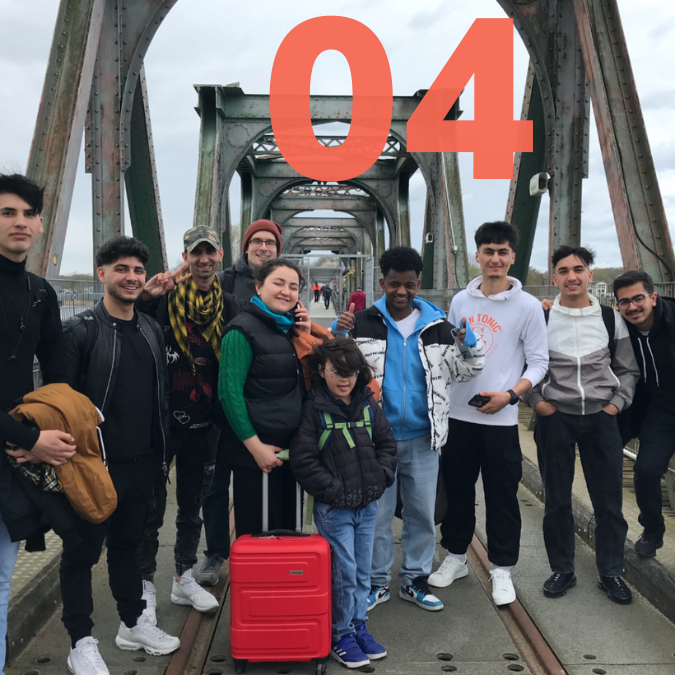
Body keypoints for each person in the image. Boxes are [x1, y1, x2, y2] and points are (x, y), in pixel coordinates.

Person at [333, 246, 485, 613]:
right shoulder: (362, 322)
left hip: (422, 437)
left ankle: (415, 579)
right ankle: (377, 582)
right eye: (394, 284)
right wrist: (337, 335)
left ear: (419, 284)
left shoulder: (440, 327)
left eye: (409, 285)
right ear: (382, 282)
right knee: (377, 516)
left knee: (421, 514)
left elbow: (467, 372)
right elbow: (335, 370)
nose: (401, 291)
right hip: (375, 440)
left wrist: (468, 345)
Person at [59, 236, 180, 674]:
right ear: (102, 274)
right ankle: (80, 642)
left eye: (137, 271)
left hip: (144, 462)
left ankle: (132, 623)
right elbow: (60, 402)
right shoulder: (81, 330)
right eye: (122, 269)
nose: (131, 277)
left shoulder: (150, 329)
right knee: (81, 553)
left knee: (128, 547)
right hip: (94, 467)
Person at [429, 222, 549, 606]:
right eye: (488, 251)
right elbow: (453, 352)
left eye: (502, 252)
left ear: (512, 257)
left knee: (502, 495)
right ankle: (456, 556)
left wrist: (511, 396)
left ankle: (502, 568)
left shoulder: (528, 306)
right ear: (477, 256)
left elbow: (539, 362)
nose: (495, 259)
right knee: (458, 490)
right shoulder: (461, 302)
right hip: (459, 414)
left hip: (501, 418)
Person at [137, 227, 246, 623]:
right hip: (160, 421)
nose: (203, 259)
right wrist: (145, 297)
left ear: (220, 256)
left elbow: (254, 339)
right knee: (151, 507)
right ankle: (144, 586)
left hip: (206, 423)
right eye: (195, 253)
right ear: (185, 257)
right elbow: (126, 324)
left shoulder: (231, 305)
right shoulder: (163, 300)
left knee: (192, 506)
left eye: (209, 252)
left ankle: (183, 576)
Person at [523, 247, 639, 604]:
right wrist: (538, 403)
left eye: (578, 269)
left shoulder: (610, 318)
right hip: (555, 417)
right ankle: (563, 569)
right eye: (563, 270)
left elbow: (627, 369)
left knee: (609, 502)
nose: (571, 276)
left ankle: (610, 572)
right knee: (557, 499)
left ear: (590, 274)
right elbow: (524, 365)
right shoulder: (541, 317)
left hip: (601, 418)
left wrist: (615, 405)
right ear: (554, 278)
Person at [0, 174, 74, 675]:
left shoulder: (40, 293)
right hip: (15, 442)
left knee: (1, 581)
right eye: (8, 212)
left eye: (29, 214)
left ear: (42, 224)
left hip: (10, 457)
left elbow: (59, 377)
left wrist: (46, 434)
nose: (20, 222)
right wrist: (30, 438)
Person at [290, 338, 397, 669]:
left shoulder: (367, 403)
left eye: (350, 372)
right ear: (322, 371)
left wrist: (380, 477)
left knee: (363, 572)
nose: (344, 379)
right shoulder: (314, 408)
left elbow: (387, 443)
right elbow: (304, 460)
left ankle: (358, 625)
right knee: (343, 572)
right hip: (334, 509)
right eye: (336, 371)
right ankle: (340, 635)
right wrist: (333, 491)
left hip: (366, 505)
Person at [194, 219, 283, 585]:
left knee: (255, 486)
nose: (263, 247)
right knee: (215, 485)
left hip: (259, 406)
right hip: (219, 402)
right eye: (257, 241)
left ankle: (258, 552)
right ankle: (216, 553)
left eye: (270, 243)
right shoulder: (224, 280)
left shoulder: (281, 282)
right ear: (245, 246)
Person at [218, 258, 310, 536]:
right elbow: (229, 394)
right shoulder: (241, 331)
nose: (286, 292)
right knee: (257, 535)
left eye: (293, 287)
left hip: (290, 450)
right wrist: (255, 447)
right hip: (256, 453)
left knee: (288, 532)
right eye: (278, 283)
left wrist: (305, 337)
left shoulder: (290, 329)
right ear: (258, 287)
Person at [613, 270, 675, 559]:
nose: (632, 307)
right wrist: (548, 309)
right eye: (624, 302)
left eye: (638, 298)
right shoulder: (620, 329)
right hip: (661, 412)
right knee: (646, 471)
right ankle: (652, 530)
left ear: (653, 297)